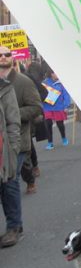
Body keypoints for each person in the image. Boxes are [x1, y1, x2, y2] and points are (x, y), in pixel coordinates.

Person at [0, 49, 42, 208]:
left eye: (7, 54)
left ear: (12, 58)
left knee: (11, 181)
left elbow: (36, 107)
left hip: (17, 139)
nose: (3, 57)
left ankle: (15, 227)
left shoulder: (23, 82)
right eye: (0, 55)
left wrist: (12, 114)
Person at [0, 66, 21, 247]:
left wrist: (13, 149)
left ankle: (14, 227)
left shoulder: (5, 88)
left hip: (4, 149)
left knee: (9, 186)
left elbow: (13, 121)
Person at [41, 69, 71, 150]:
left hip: (59, 106)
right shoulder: (45, 82)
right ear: (51, 74)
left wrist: (66, 106)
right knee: (48, 124)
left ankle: (64, 137)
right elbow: (40, 94)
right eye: (55, 72)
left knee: (60, 124)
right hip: (47, 106)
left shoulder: (61, 83)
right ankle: (50, 142)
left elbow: (66, 95)